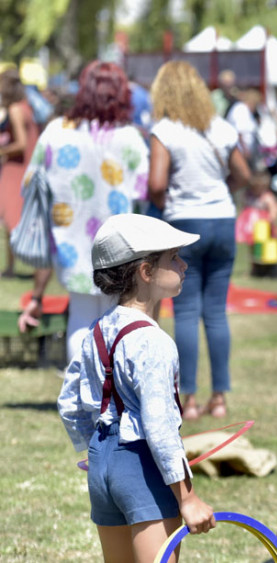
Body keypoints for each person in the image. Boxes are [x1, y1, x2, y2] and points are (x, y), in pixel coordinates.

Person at [58, 214, 215, 561]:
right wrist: (187, 498)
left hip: (101, 465)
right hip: (142, 466)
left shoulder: (96, 331)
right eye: (173, 257)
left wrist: (93, 449)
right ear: (146, 272)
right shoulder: (153, 342)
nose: (184, 264)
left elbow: (69, 402)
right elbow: (158, 426)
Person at [17, 61, 149, 364]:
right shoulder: (129, 137)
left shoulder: (56, 131)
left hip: (70, 241)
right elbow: (142, 191)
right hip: (119, 242)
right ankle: (110, 398)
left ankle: (81, 398)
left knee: (80, 315)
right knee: (115, 320)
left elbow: (30, 182)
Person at [148, 60, 251, 421]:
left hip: (184, 222)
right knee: (216, 313)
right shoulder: (220, 127)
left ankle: (188, 399)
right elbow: (243, 173)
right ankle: (219, 397)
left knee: (186, 312)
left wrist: (169, 205)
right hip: (222, 219)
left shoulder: (164, 129)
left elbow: (157, 185)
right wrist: (221, 193)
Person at [0, 68, 40, 277]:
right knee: (16, 219)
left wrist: (2, 150)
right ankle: (13, 267)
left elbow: (22, 143)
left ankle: (15, 267)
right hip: (26, 168)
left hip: (17, 169)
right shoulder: (26, 106)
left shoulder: (15, 109)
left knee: (12, 217)